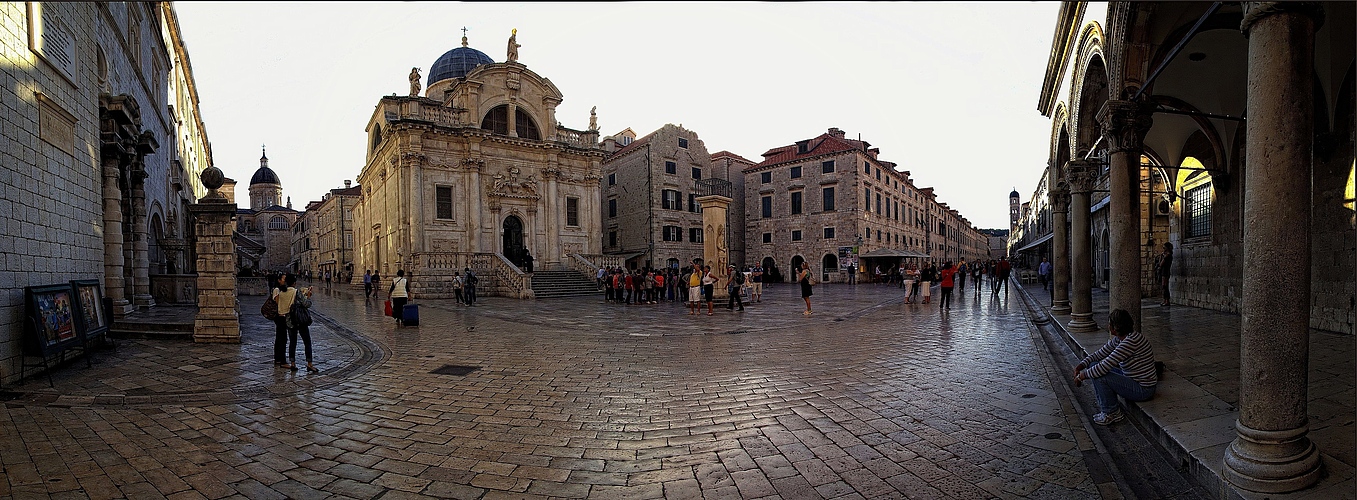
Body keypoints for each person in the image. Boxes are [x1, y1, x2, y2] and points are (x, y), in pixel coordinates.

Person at [1073, 309, 1157, 425]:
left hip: (1143, 389)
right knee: (1093, 366)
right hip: (1131, 378)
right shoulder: (1121, 339)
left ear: (1115, 327)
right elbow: (1100, 354)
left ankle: (1111, 412)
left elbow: (1104, 366)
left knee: (1100, 375)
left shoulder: (1130, 342)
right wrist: (1081, 365)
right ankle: (1109, 408)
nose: (1108, 326)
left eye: (1110, 324)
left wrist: (1081, 376)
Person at [281, 274, 316, 371]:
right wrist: (308, 296)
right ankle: (309, 363)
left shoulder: (282, 292)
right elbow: (306, 304)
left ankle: (292, 363)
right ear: (294, 283)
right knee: (307, 342)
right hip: (300, 320)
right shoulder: (296, 292)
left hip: (289, 321)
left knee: (292, 342)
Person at [270, 274, 289, 367]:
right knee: (282, 339)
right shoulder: (277, 290)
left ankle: (278, 359)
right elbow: (278, 302)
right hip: (280, 316)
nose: (285, 281)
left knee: (279, 338)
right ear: (279, 280)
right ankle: (282, 361)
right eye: (283, 279)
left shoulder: (282, 289)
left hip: (282, 316)